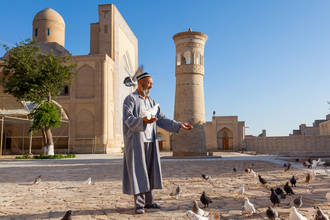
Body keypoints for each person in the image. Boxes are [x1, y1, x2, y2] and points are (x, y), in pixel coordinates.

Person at [122, 72, 193, 214]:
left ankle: (149, 202)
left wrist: (178, 125)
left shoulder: (151, 101)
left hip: (150, 141)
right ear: (141, 83)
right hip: (137, 142)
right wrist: (143, 121)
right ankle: (140, 205)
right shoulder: (130, 100)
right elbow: (128, 119)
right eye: (149, 83)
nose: (151, 86)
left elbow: (161, 118)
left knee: (150, 172)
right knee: (139, 172)